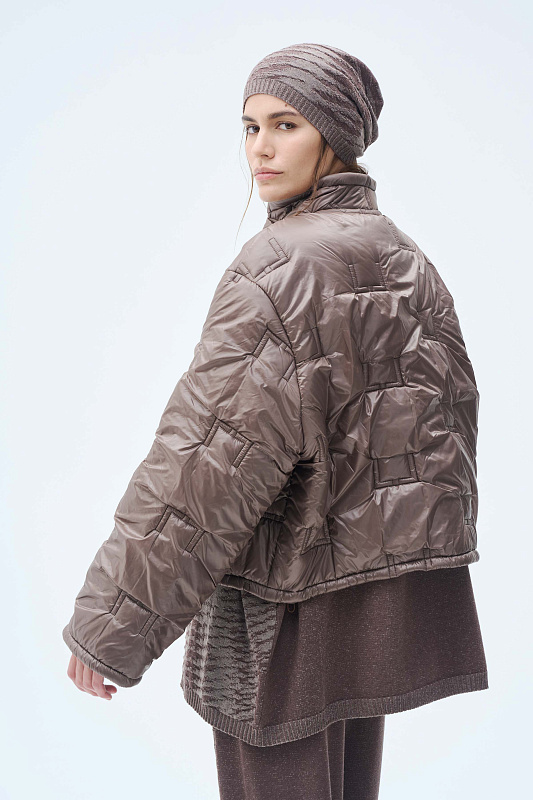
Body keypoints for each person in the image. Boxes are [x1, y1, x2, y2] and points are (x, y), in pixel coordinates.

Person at [64, 43, 488, 799]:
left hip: (281, 612)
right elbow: (446, 429)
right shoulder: (403, 255)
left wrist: (112, 627)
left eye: (286, 124)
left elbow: (202, 466)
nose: (259, 148)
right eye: (250, 126)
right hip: (369, 609)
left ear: (335, 135)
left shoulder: (280, 267)